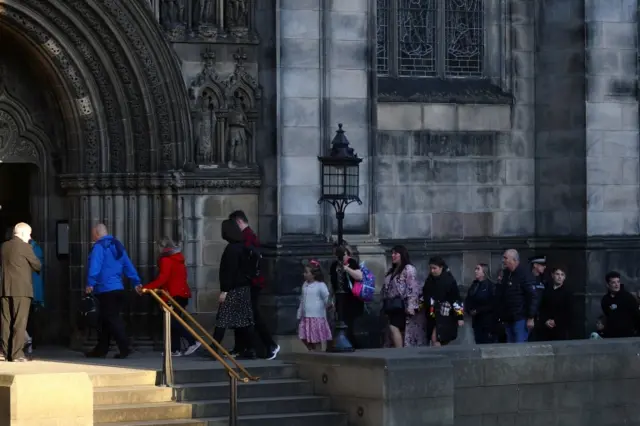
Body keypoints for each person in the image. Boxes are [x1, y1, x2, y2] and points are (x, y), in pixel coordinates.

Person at [228, 210, 280, 360]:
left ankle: (269, 345)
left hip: (251, 282)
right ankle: (244, 348)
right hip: (248, 282)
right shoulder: (246, 237)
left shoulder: (247, 237)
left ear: (238, 222)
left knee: (252, 316)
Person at [85, 224, 140, 359]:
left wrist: (90, 283)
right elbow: (127, 265)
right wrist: (136, 282)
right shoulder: (117, 245)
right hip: (117, 289)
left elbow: (95, 266)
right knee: (104, 321)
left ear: (97, 234)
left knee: (112, 320)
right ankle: (101, 349)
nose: (92, 236)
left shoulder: (99, 246)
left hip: (105, 289)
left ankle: (125, 347)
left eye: (93, 234)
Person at [139, 237, 201, 357]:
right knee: (173, 323)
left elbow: (163, 278)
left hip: (173, 295)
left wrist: (146, 288)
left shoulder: (166, 259)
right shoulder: (178, 259)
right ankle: (175, 349)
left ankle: (192, 341)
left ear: (162, 247)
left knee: (173, 322)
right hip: (182, 294)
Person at [212, 219, 257, 359]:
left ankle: (214, 348)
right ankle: (250, 349)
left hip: (233, 289)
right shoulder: (243, 247)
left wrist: (224, 290)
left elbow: (229, 271)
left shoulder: (232, 249)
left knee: (223, 319)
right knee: (244, 320)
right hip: (243, 287)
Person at [0, 223, 41, 362]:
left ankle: (6, 352)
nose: (29, 237)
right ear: (23, 234)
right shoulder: (25, 247)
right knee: (20, 321)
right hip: (21, 289)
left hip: (5, 288)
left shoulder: (4, 246)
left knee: (6, 321)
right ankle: (16, 354)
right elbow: (37, 264)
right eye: (28, 234)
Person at [381, 245, 426, 348]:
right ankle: (399, 348)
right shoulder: (392, 271)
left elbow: (412, 287)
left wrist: (411, 305)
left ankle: (400, 351)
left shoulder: (408, 269)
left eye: (396, 253)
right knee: (395, 328)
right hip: (392, 305)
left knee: (394, 327)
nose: (393, 255)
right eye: (392, 253)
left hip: (402, 305)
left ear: (402, 255)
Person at [496, 249, 537, 343]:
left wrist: (531, 317)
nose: (503, 260)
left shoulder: (524, 274)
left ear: (514, 260)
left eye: (506, 258)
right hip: (508, 318)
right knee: (510, 347)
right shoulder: (506, 274)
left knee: (520, 346)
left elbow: (532, 296)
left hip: (520, 318)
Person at [423, 256, 464, 346]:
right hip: (433, 314)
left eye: (434, 268)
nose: (432, 271)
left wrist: (460, 316)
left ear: (441, 268)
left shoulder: (449, 280)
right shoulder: (429, 280)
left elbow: (456, 298)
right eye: (431, 268)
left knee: (437, 338)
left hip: (445, 316)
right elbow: (425, 295)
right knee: (437, 339)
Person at [329, 244, 364, 348]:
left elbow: (359, 276)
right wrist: (332, 300)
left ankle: (352, 345)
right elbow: (333, 284)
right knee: (341, 323)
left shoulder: (352, 262)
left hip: (352, 299)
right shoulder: (334, 265)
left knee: (349, 325)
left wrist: (346, 269)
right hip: (340, 300)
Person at [297, 259, 333, 351]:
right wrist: (299, 312)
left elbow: (326, 298)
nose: (304, 274)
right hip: (306, 317)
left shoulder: (320, 285)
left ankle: (318, 353)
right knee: (303, 336)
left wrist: (330, 305)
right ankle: (311, 350)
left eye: (306, 272)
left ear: (313, 274)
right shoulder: (305, 284)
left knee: (315, 339)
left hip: (316, 317)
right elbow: (302, 300)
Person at [464, 263, 497, 344]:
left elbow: (493, 303)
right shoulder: (474, 285)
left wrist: (478, 310)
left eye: (478, 269)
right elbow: (468, 299)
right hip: (476, 321)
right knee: (478, 341)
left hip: (487, 322)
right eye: (475, 269)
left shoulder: (491, 286)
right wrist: (468, 310)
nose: (475, 271)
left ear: (484, 272)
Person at [537, 266, 572, 341]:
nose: (559, 277)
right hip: (545, 328)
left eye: (562, 275)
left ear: (564, 277)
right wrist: (545, 320)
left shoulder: (567, 292)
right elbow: (542, 307)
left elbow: (568, 311)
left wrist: (555, 321)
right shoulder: (546, 290)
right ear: (552, 275)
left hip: (560, 329)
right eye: (557, 274)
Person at [600, 271, 639, 338]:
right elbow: (607, 314)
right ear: (608, 285)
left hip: (627, 335)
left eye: (618, 282)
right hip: (611, 336)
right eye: (613, 282)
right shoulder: (605, 299)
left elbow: (636, 315)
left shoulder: (628, 297)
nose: (617, 284)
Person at [25, 237, 44, 355]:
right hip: (34, 289)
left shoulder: (29, 250)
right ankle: (31, 342)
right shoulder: (37, 249)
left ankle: (29, 342)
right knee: (31, 317)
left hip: (29, 288)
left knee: (27, 318)